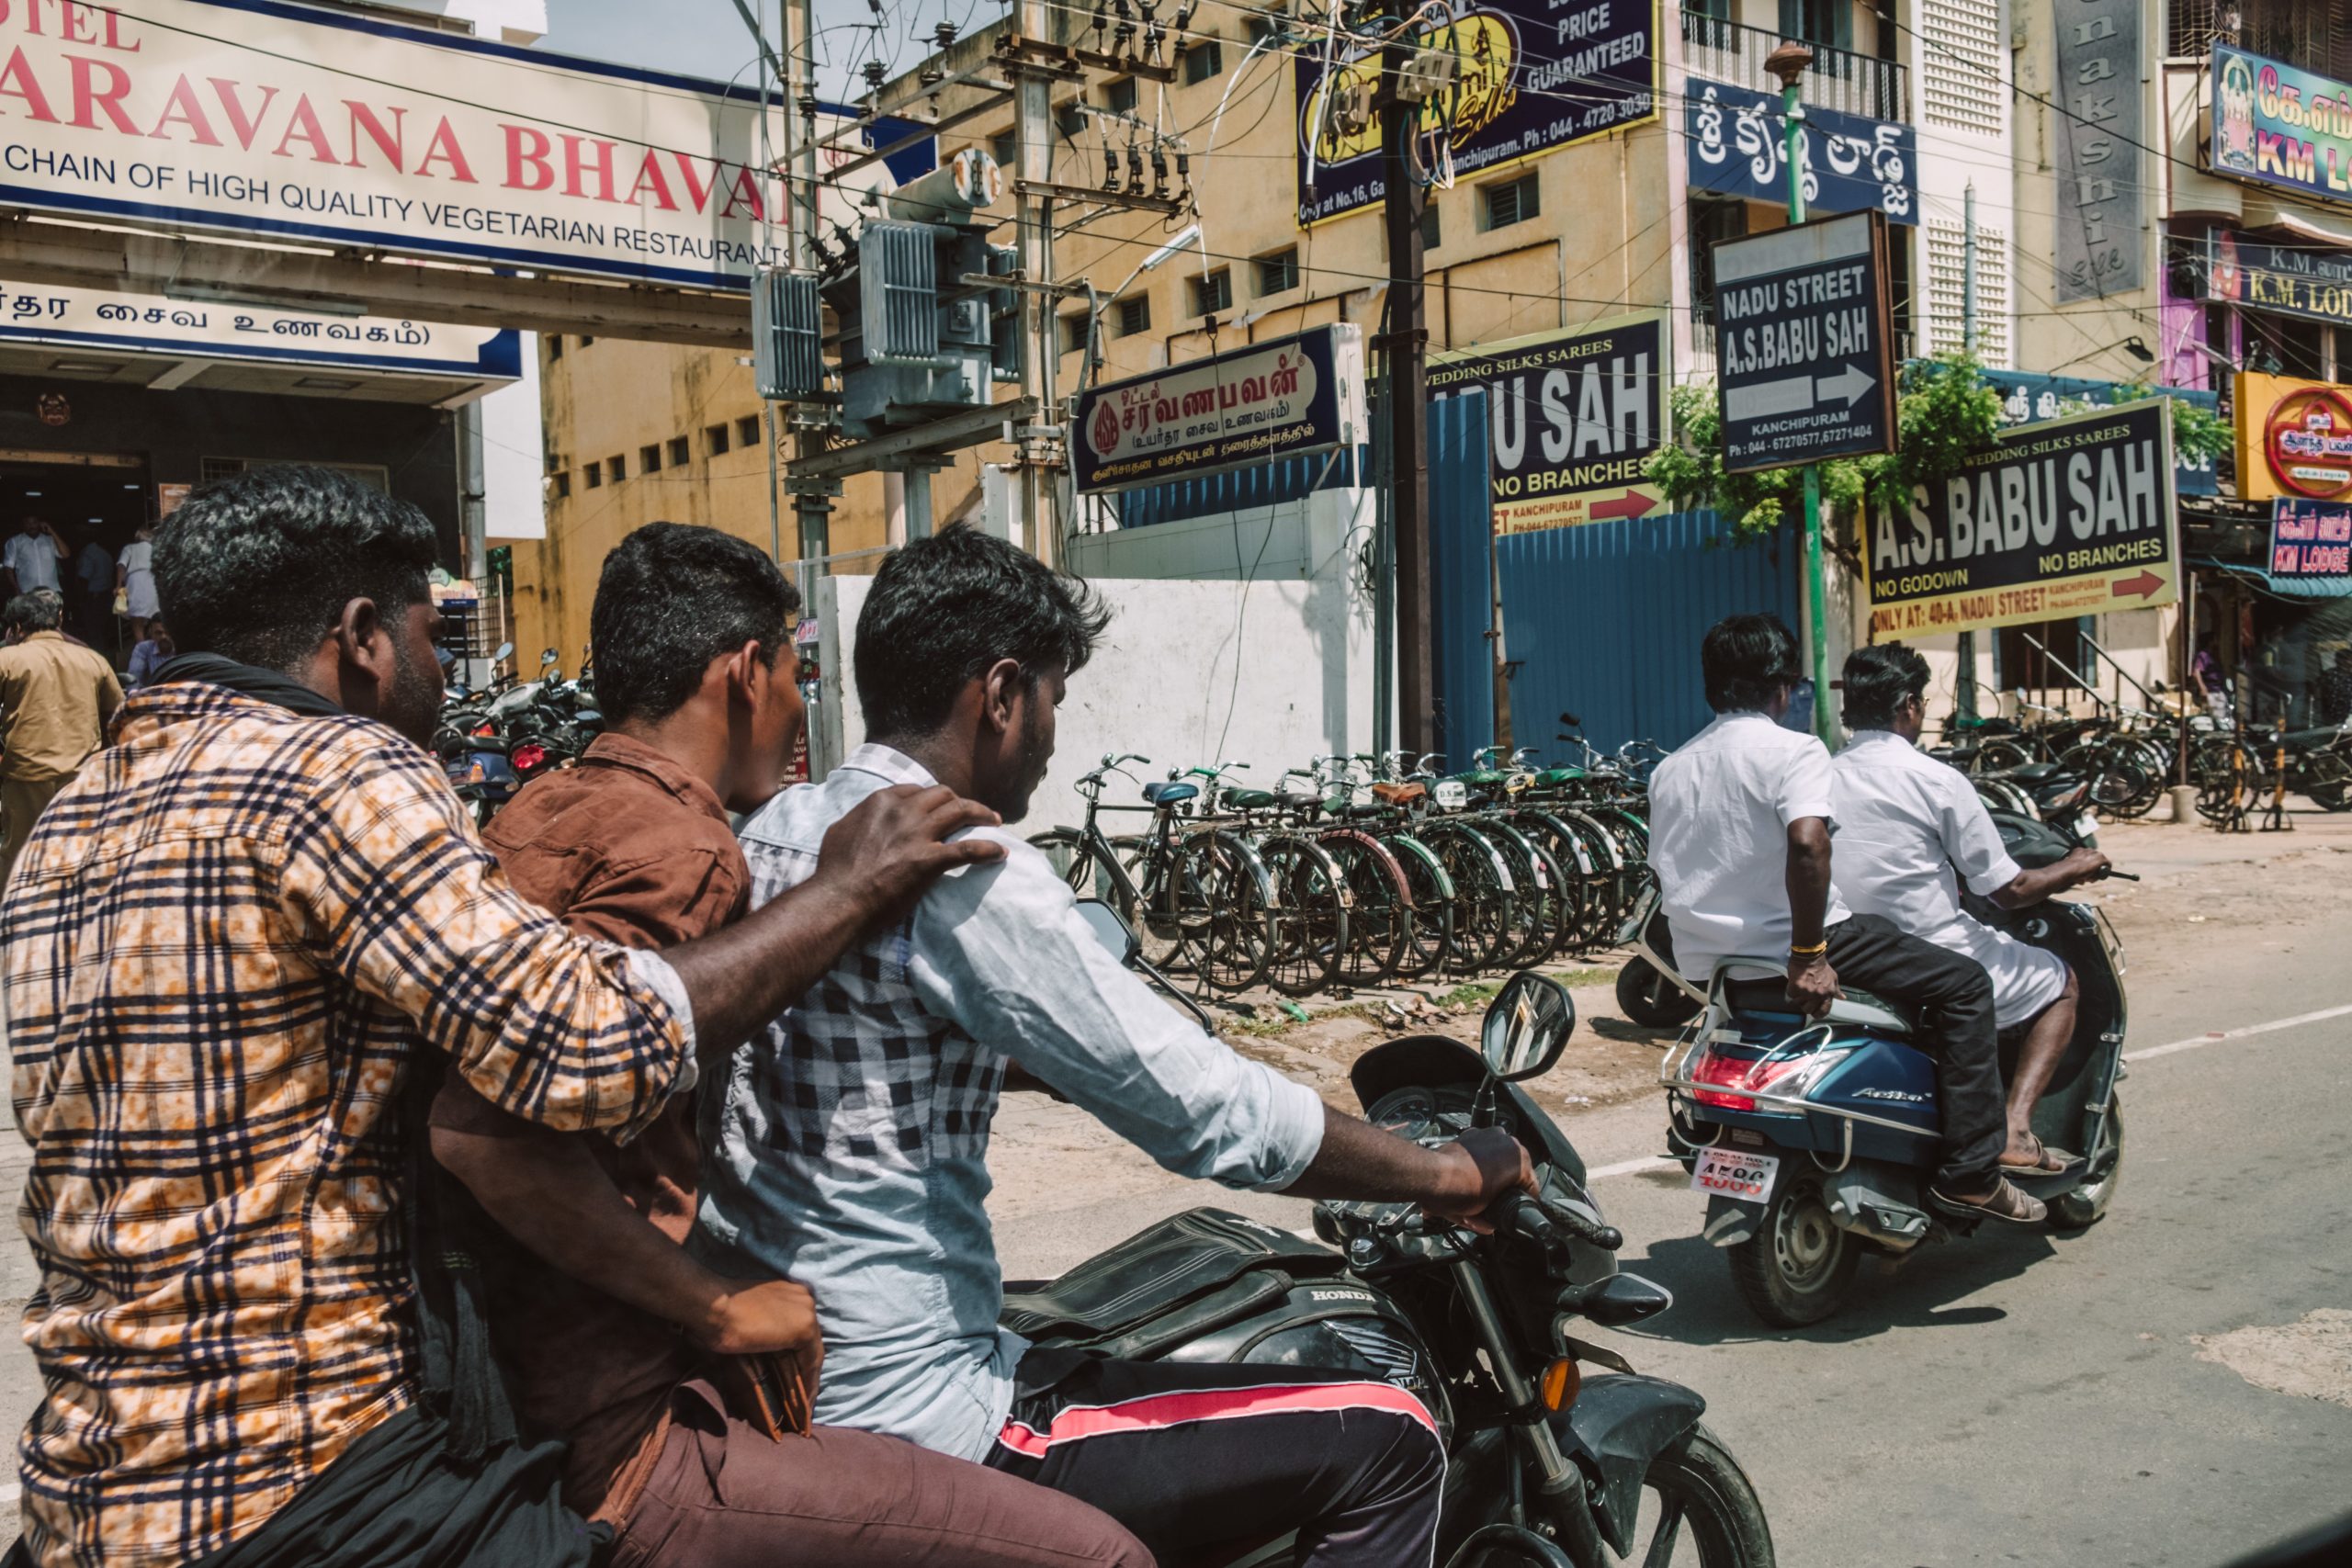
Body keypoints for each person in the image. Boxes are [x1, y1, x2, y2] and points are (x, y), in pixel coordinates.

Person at [3, 466, 1003, 1568]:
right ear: (362, 638)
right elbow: (577, 1047)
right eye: (432, 634)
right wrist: (846, 891)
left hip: (91, 1486)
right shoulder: (332, 769)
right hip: (304, 1478)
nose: (438, 668)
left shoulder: (71, 820)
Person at [700, 525, 1534, 1567]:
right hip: (921, 1406)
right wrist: (1442, 1173)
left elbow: (859, 1032)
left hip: (784, 1364)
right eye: (1054, 697)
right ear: (999, 694)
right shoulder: (967, 864)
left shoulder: (777, 828)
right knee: (1391, 1434)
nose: (1054, 734)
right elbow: (1208, 1115)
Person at [427, 522, 1149, 1568]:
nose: (798, 703)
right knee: (1105, 1558)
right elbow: (489, 1133)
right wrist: (715, 1306)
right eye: (792, 671)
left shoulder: (543, 806)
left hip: (516, 1377)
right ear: (745, 673)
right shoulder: (682, 846)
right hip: (619, 1425)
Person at [1645, 615, 2043, 1222]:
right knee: (1966, 984)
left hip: (1717, 965)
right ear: (1782, 689)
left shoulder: (1669, 770)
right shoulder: (1794, 749)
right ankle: (1971, 1170)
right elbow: (1809, 844)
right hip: (1802, 948)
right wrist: (1809, 954)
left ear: (1711, 686)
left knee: (1889, 937)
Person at [1828, 644, 2112, 1175]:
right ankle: (2015, 1129)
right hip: (1932, 952)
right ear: (1910, 705)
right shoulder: (1934, 779)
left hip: (1847, 951)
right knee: (2061, 980)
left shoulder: (1820, 775)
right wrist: (2076, 865)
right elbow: (2010, 891)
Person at [0, 591, 120, 885]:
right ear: (58, 620)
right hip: (82, 781)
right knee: (80, 861)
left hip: (27, 779)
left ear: (16, 628)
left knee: (21, 864)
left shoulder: (7, 658)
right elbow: (120, 716)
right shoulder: (93, 659)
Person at [1, 514, 65, 599]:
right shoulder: (14, 542)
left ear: (39, 523)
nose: (31, 526)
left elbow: (65, 554)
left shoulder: (49, 540)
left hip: (51, 590)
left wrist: (52, 532)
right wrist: (16, 588)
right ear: (23, 525)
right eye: (28, 523)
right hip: (27, 591)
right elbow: (8, 567)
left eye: (34, 522)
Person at [117, 522, 158, 644]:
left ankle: (141, 648)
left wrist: (118, 585)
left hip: (136, 582)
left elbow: (121, 566)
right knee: (155, 618)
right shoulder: (156, 548)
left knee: (137, 621)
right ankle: (156, 647)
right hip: (153, 581)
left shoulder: (129, 548)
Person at [70, 530, 112, 649]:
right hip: (106, 595)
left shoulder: (88, 554)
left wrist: (80, 599)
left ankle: (96, 657)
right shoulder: (104, 553)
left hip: (93, 598)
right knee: (102, 630)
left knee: (93, 631)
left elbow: (84, 578)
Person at [125, 618, 174, 688]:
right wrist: (134, 694)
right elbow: (133, 679)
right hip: (152, 695)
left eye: (167, 633)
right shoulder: (143, 649)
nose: (164, 637)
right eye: (159, 633)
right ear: (151, 633)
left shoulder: (184, 647)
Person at [2316, 648, 2352, 729]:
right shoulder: (2330, 675)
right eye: (2349, 660)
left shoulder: (2347, 675)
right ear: (2341, 661)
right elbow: (2319, 694)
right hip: (2336, 717)